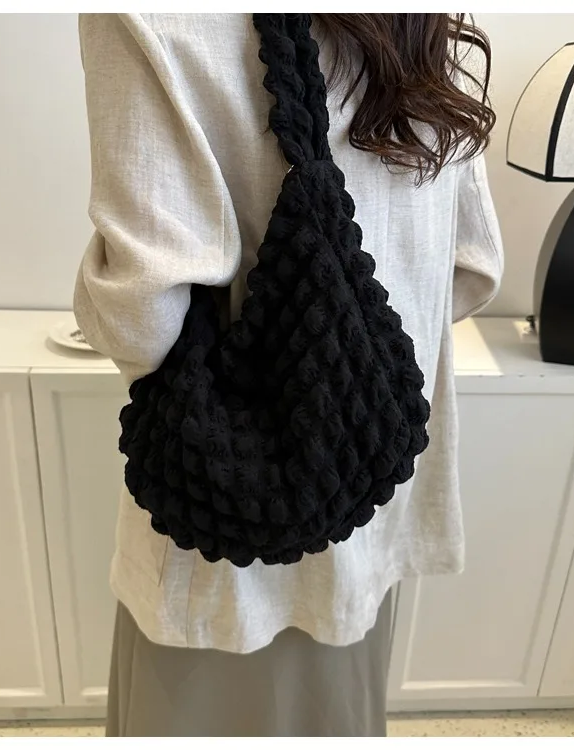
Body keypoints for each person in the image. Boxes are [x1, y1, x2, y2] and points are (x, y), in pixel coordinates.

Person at [74, 12, 503, 737]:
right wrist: (350, 360)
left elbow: (141, 317)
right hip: (372, 501)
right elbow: (475, 266)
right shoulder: (428, 22)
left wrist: (96, 294)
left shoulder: (145, 16)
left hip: (220, 559)